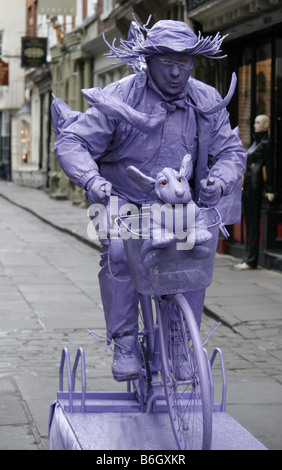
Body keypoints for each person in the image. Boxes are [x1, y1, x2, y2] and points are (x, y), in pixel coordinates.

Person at [51, 18, 247, 381]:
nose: (176, 72)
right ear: (149, 60)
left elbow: (232, 152)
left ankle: (179, 338)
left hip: (178, 202)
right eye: (167, 62)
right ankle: (125, 341)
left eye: (184, 62)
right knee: (119, 251)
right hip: (121, 196)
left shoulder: (204, 97)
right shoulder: (122, 95)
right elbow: (71, 142)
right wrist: (91, 180)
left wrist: (218, 183)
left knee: (193, 254)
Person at [235, 115, 274, 270]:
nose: (255, 125)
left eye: (258, 123)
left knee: (252, 222)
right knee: (249, 222)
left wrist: (270, 189)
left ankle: (251, 260)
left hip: (256, 186)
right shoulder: (256, 142)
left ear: (266, 125)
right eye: (255, 122)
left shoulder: (266, 144)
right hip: (248, 186)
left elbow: (270, 168)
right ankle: (248, 257)